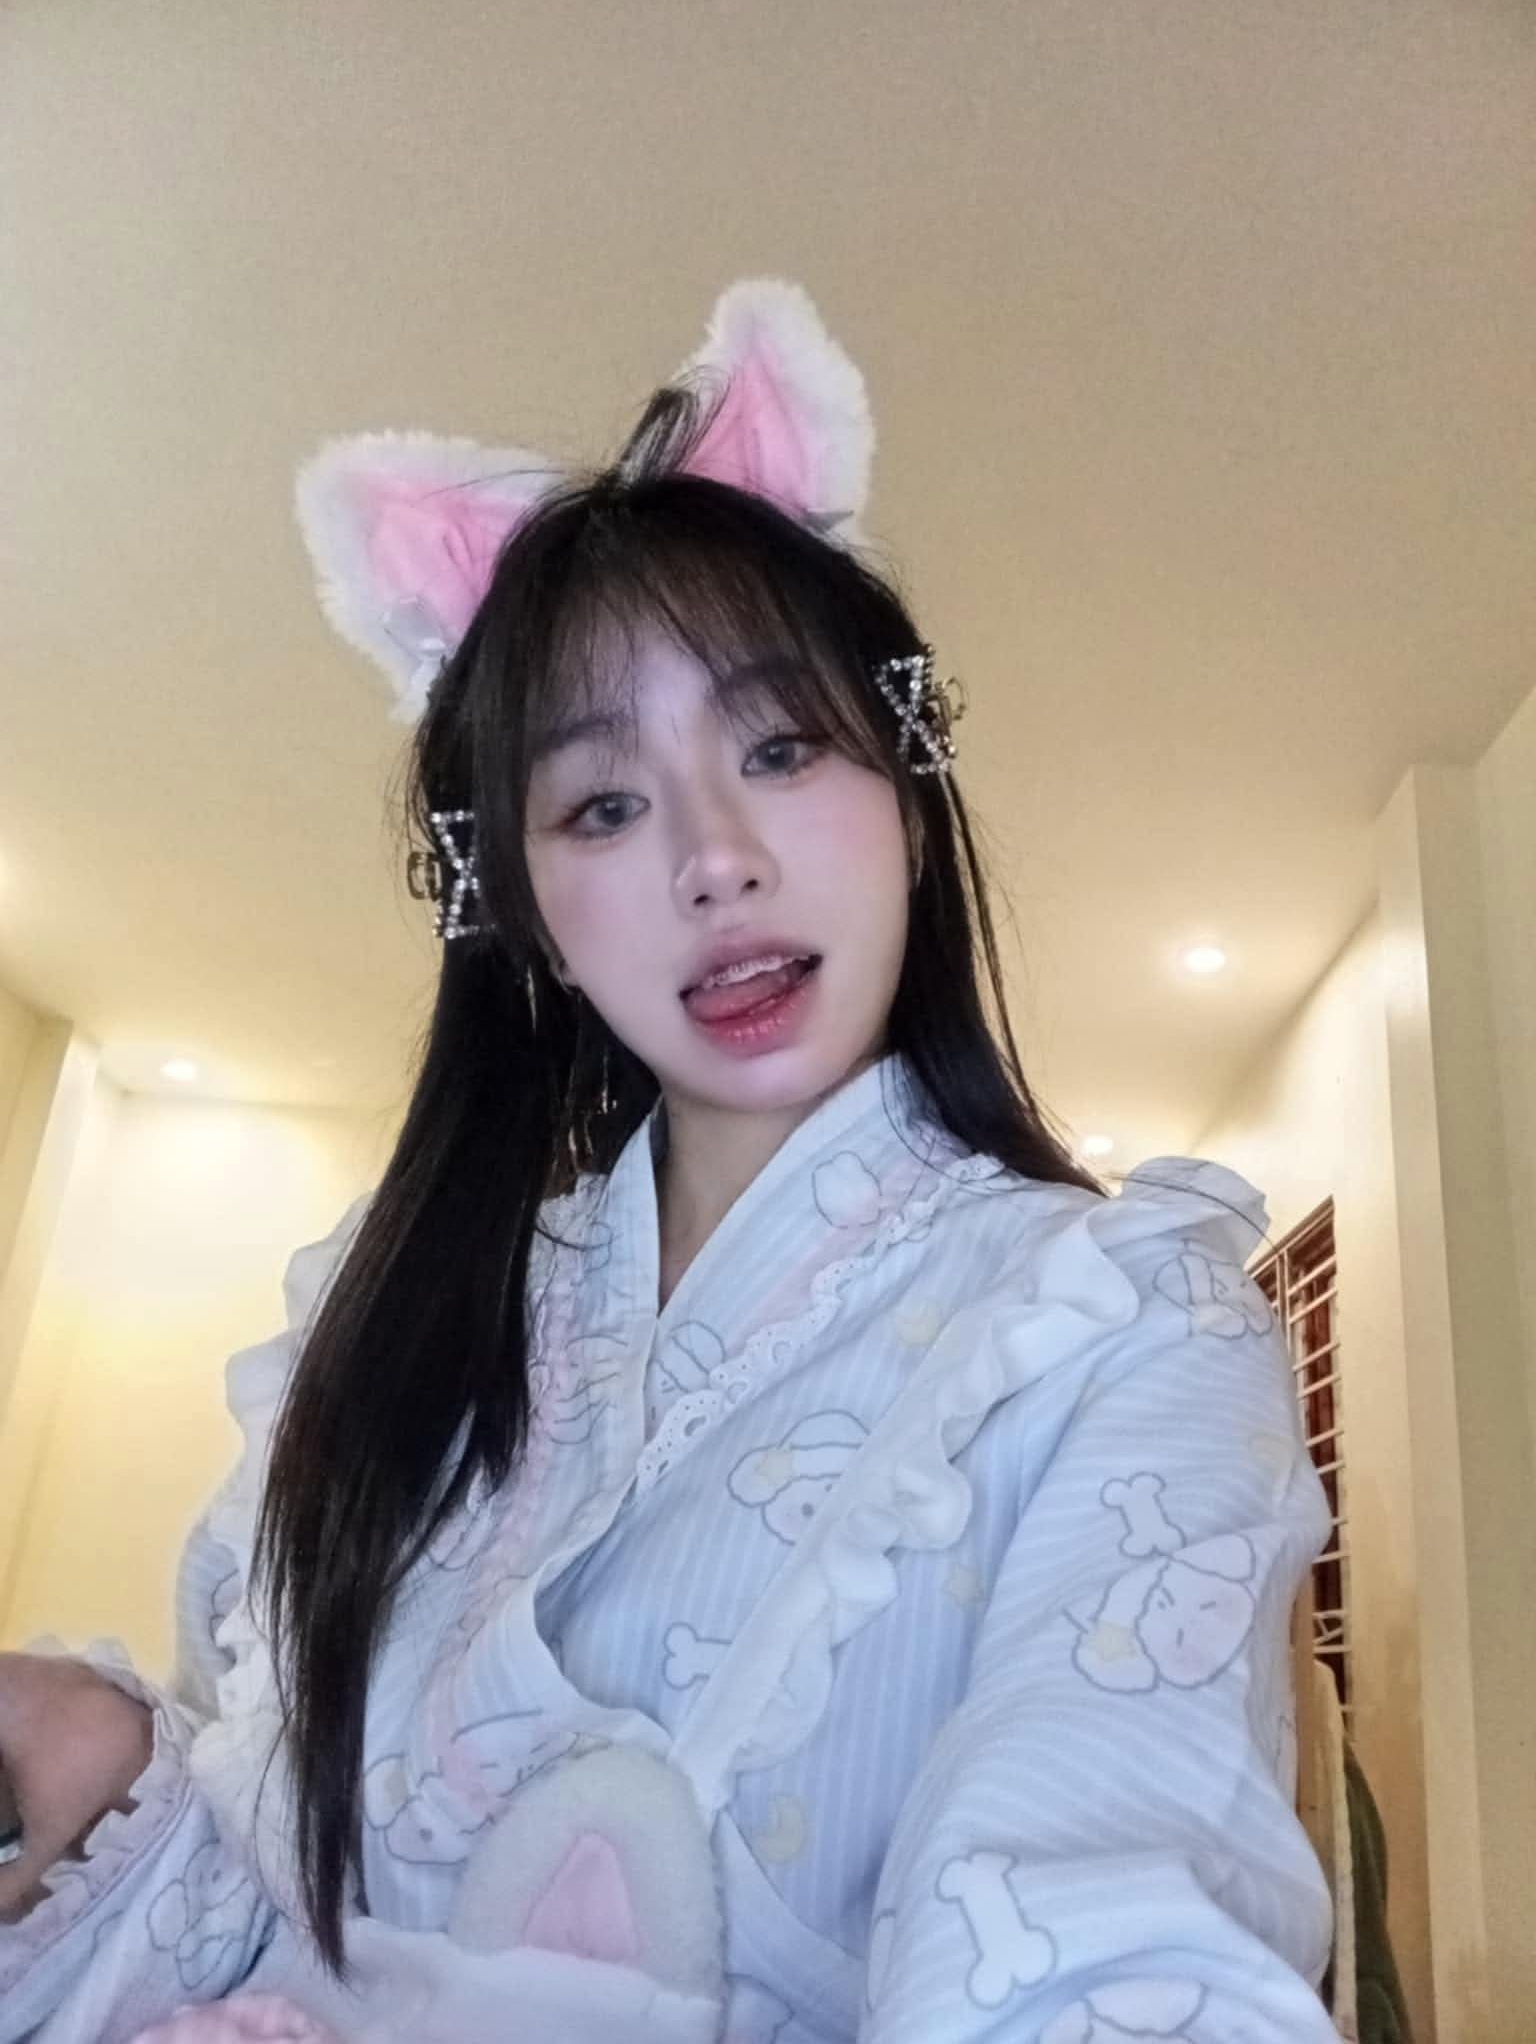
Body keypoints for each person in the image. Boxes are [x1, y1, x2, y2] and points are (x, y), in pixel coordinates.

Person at [0, 282, 1338, 2044]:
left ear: (908, 797)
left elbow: (1102, 1921)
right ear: (527, 913)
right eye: (604, 805)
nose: (717, 857)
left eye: (780, 748)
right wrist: (93, 1778)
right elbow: (252, 1910)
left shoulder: (1124, 1321)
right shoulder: (375, 1327)